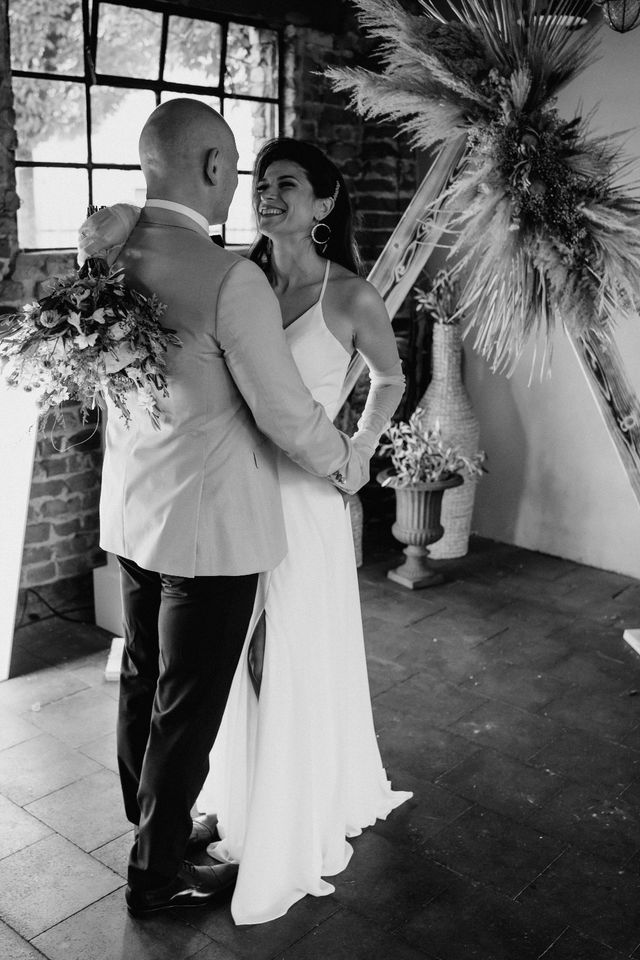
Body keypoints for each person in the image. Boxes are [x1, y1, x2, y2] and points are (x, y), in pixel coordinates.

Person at [78, 101, 373, 917]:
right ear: (212, 167)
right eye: (238, 169)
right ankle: (158, 872)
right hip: (211, 527)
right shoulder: (229, 278)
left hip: (133, 509)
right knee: (187, 701)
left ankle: (151, 828)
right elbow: (285, 412)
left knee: (143, 676)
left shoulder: (106, 251)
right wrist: (345, 462)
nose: (240, 188)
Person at [197, 138, 412, 925]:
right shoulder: (234, 279)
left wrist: (359, 448)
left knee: (290, 649)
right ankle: (245, 790)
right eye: (260, 182)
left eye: (285, 184)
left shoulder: (351, 297)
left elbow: (391, 378)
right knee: (230, 651)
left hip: (305, 498)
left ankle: (294, 810)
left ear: (323, 205)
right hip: (232, 489)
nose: (266, 194)